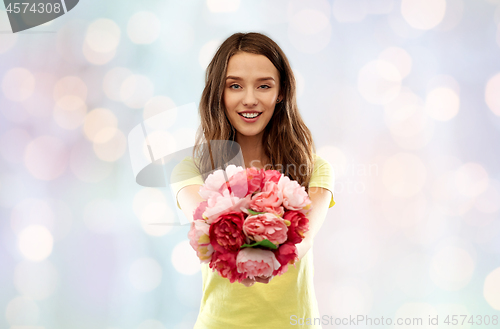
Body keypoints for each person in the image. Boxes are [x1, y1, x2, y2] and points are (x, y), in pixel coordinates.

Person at [171, 32, 335, 329]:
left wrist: (274, 257)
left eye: (264, 86)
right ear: (218, 94)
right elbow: (207, 228)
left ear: (281, 92)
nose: (249, 99)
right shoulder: (190, 170)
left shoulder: (313, 168)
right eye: (235, 86)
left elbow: (305, 237)